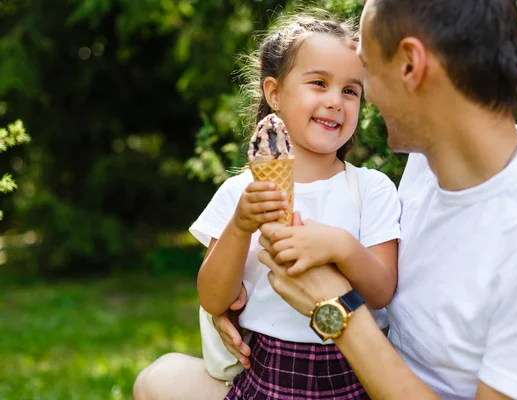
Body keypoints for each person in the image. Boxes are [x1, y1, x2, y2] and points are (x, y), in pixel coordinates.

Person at [254, 0, 517, 399]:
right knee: (168, 376)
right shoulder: (427, 163)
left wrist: (335, 310)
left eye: (365, 69)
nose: (361, 96)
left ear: (409, 65)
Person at [134, 11, 401, 400]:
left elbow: (381, 292)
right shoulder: (239, 193)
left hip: (353, 380)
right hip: (266, 378)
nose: (335, 101)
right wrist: (241, 227)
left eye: (350, 90)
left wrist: (341, 246)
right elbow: (213, 299)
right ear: (274, 93)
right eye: (318, 83)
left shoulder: (370, 188)